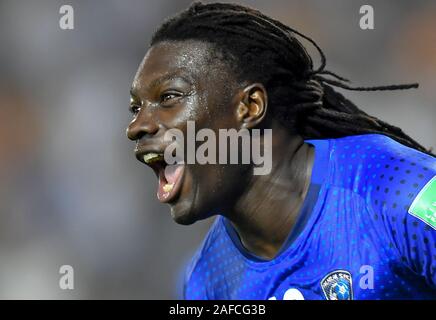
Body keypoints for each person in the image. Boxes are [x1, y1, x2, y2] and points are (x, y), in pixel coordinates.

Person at [126, 2, 436, 299]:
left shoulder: (396, 190)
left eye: (168, 97)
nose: (136, 126)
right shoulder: (206, 281)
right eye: (135, 108)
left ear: (250, 106)